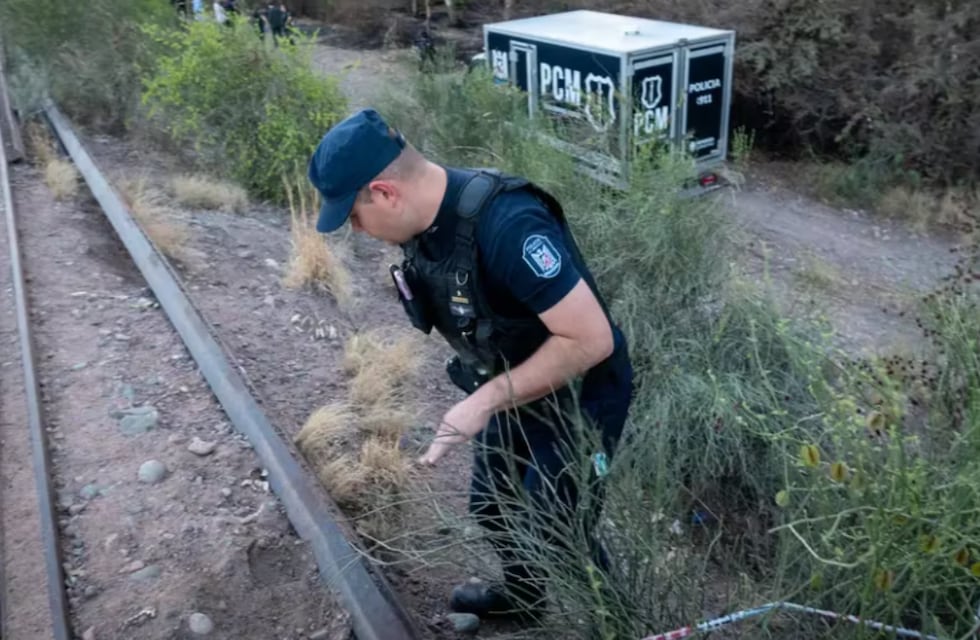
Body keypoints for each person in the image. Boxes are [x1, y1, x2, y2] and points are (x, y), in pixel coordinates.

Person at [307, 109, 634, 622]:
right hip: (513, 383)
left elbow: (591, 340)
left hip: (583, 393)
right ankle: (525, 600)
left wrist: (482, 402)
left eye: (354, 216)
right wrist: (490, 394)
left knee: (558, 525)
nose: (359, 230)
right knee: (491, 502)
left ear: (386, 193)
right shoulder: (424, 224)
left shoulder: (509, 224)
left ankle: (617, 625)